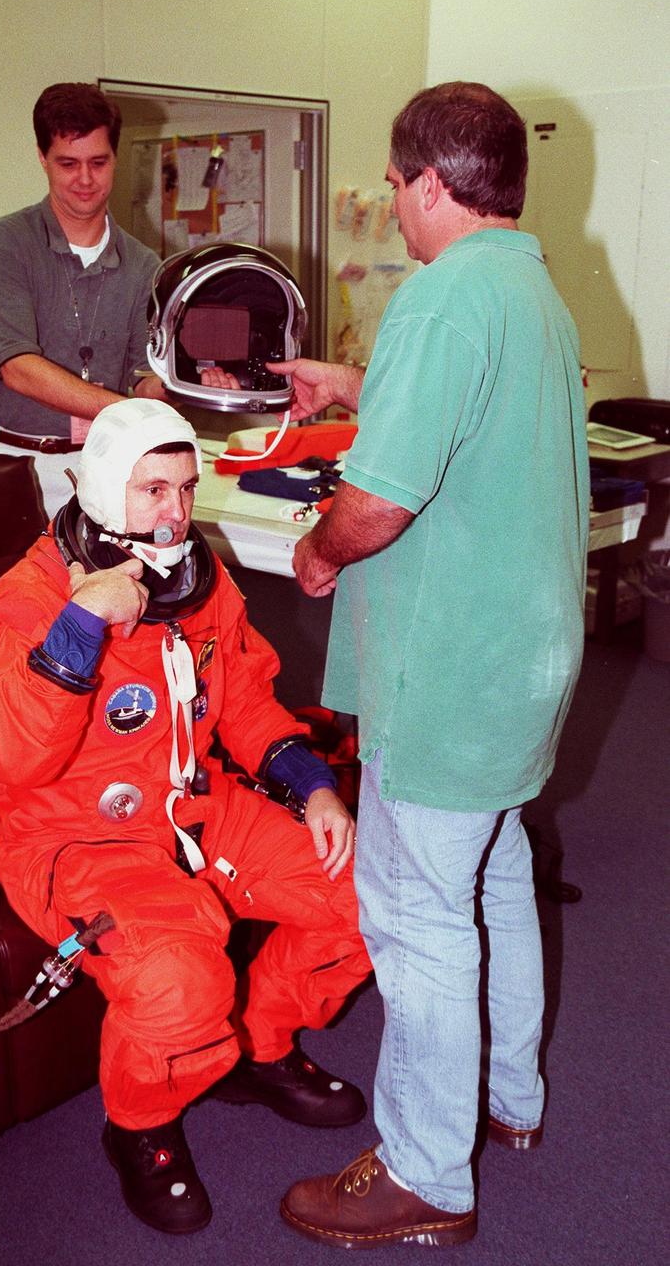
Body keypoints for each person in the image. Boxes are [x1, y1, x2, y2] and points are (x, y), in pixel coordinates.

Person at [268, 82, 590, 1249]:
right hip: (528, 657)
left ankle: (423, 1172)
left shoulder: (442, 297)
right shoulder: (528, 286)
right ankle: (511, 1101)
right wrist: (357, 387)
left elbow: (381, 503)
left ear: (429, 184)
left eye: (398, 185)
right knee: (493, 876)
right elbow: (477, 416)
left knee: (416, 915)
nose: (396, 205)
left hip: (452, 667)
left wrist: (313, 546)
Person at [0, 398, 373, 1235]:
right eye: (152, 491)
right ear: (105, 489)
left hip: (192, 810)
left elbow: (247, 701)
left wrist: (310, 786)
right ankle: (140, 1127)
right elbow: (9, 757)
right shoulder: (33, 595)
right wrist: (82, 625)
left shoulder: (199, 577)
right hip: (73, 835)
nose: (175, 513)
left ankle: (263, 1043)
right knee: (181, 977)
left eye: (185, 489)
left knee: (369, 896)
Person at [0, 83, 167, 517]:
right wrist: (127, 412)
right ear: (42, 158)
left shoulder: (144, 265)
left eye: (98, 162)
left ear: (115, 160)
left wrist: (189, 383)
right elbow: (19, 369)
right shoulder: (4, 244)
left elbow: (146, 376)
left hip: (92, 465)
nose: (85, 179)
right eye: (68, 163)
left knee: (97, 587)